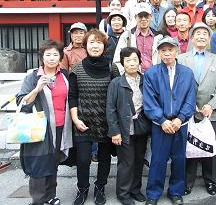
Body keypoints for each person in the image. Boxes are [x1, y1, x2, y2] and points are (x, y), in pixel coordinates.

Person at [17, 40, 72, 205]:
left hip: (61, 127)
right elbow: (22, 102)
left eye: (55, 54)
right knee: (39, 163)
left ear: (60, 57)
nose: (52, 58)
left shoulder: (64, 75)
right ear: (42, 57)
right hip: (39, 128)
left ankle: (50, 196)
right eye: (48, 54)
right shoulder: (33, 76)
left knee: (53, 162)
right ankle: (38, 201)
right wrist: (37, 89)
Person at [143, 36, 196, 205]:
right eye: (163, 51)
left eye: (170, 50)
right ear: (158, 53)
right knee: (158, 159)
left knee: (179, 159)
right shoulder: (151, 73)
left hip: (181, 124)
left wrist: (181, 118)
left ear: (177, 51)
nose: (167, 54)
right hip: (161, 125)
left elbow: (190, 99)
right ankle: (153, 192)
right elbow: (149, 101)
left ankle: (176, 191)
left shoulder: (187, 73)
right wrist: (162, 120)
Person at [178, 23, 216, 196]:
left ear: (209, 38)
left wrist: (211, 105)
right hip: (187, 112)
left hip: (209, 112)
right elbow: (178, 85)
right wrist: (188, 106)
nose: (201, 36)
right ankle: (187, 182)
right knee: (189, 148)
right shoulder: (182, 58)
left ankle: (210, 181)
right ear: (192, 37)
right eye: (197, 33)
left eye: (205, 34)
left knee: (209, 148)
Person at [69, 29, 113, 205]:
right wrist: (75, 119)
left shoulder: (112, 67)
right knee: (83, 159)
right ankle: (83, 188)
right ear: (86, 46)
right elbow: (72, 95)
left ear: (104, 46)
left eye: (99, 42)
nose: (95, 46)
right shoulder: (77, 68)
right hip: (83, 121)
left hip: (106, 122)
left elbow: (117, 94)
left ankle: (100, 187)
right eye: (92, 42)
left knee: (104, 158)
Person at [107, 47, 148, 205]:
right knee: (126, 163)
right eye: (128, 60)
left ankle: (135, 190)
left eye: (135, 60)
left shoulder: (145, 80)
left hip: (141, 128)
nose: (132, 63)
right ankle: (123, 193)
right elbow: (110, 109)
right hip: (124, 130)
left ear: (139, 62)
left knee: (138, 160)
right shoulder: (116, 83)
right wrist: (114, 131)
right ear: (122, 63)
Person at [113, 2, 160, 74]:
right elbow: (117, 60)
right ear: (135, 17)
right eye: (140, 16)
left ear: (151, 17)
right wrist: (126, 75)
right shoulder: (127, 36)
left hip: (155, 76)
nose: (143, 19)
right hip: (133, 76)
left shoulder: (159, 37)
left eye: (146, 16)